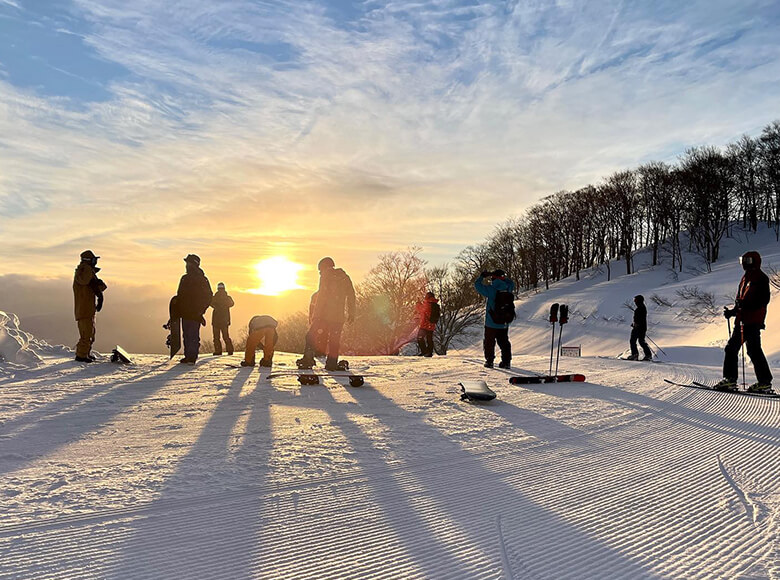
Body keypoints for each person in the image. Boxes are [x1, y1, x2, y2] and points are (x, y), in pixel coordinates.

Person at [716, 251, 773, 393]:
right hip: (742, 320)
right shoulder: (745, 278)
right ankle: (763, 382)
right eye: (743, 260)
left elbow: (763, 300)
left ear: (754, 261)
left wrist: (745, 306)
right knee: (751, 350)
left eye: (747, 260)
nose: (743, 263)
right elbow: (741, 301)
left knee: (735, 348)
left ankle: (732, 379)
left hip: (752, 321)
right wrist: (733, 312)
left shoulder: (761, 278)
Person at [297, 257, 356, 370]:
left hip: (323, 315)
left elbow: (322, 297)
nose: (320, 273)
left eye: (320, 270)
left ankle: (308, 360)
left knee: (310, 336)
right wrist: (351, 313)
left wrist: (316, 315)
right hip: (338, 317)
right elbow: (351, 296)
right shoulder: (345, 277)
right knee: (334, 341)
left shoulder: (326, 275)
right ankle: (332, 363)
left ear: (324, 267)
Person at [175, 254, 213, 364]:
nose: (187, 265)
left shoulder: (201, 279)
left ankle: (191, 357)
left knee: (192, 335)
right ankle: (188, 356)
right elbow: (180, 295)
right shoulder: (186, 278)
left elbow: (208, 296)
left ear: (194, 264)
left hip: (194, 313)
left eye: (188, 263)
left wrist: (200, 310)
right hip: (186, 312)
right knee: (187, 335)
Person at [474, 269, 515, 368]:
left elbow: (477, 285)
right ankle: (506, 362)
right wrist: (503, 278)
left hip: (491, 322)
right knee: (504, 342)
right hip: (504, 322)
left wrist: (482, 277)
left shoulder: (491, 289)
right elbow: (511, 282)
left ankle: (489, 361)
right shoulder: (508, 287)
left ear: (493, 278)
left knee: (489, 342)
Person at [72, 250, 107, 363]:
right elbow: (86, 281)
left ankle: (85, 353)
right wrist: (91, 273)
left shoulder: (86, 273)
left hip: (88, 308)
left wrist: (98, 285)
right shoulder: (84, 271)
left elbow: (96, 287)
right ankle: (81, 356)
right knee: (86, 334)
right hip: (84, 309)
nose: (95, 262)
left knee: (90, 333)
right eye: (94, 260)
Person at [210, 282, 234, 356]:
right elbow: (232, 303)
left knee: (216, 337)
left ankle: (218, 351)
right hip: (224, 320)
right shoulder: (227, 297)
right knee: (225, 336)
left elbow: (210, 303)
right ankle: (229, 350)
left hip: (216, 320)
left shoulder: (215, 297)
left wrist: (217, 305)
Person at [627, 295, 652, 361]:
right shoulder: (642, 307)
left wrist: (636, 324)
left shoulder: (640, 308)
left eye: (635, 300)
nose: (634, 302)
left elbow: (639, 318)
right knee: (641, 341)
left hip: (638, 328)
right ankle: (648, 355)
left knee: (633, 341)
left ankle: (635, 355)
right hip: (642, 327)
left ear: (638, 301)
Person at [415, 291, 439, 357]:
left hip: (425, 325)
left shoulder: (428, 304)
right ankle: (429, 352)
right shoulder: (435, 304)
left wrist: (418, 304)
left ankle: (425, 352)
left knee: (420, 337)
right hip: (432, 325)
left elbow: (420, 310)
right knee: (429, 339)